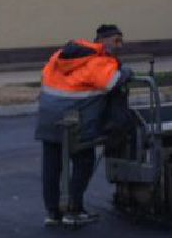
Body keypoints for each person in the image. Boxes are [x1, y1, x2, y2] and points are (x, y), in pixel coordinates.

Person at [36, 24, 130, 227]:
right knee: (84, 160)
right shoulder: (101, 61)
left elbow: (45, 77)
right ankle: (73, 210)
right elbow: (112, 83)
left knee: (52, 166)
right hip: (75, 121)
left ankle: (53, 213)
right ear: (102, 41)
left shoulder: (59, 55)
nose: (120, 45)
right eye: (116, 40)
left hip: (48, 118)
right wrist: (126, 71)